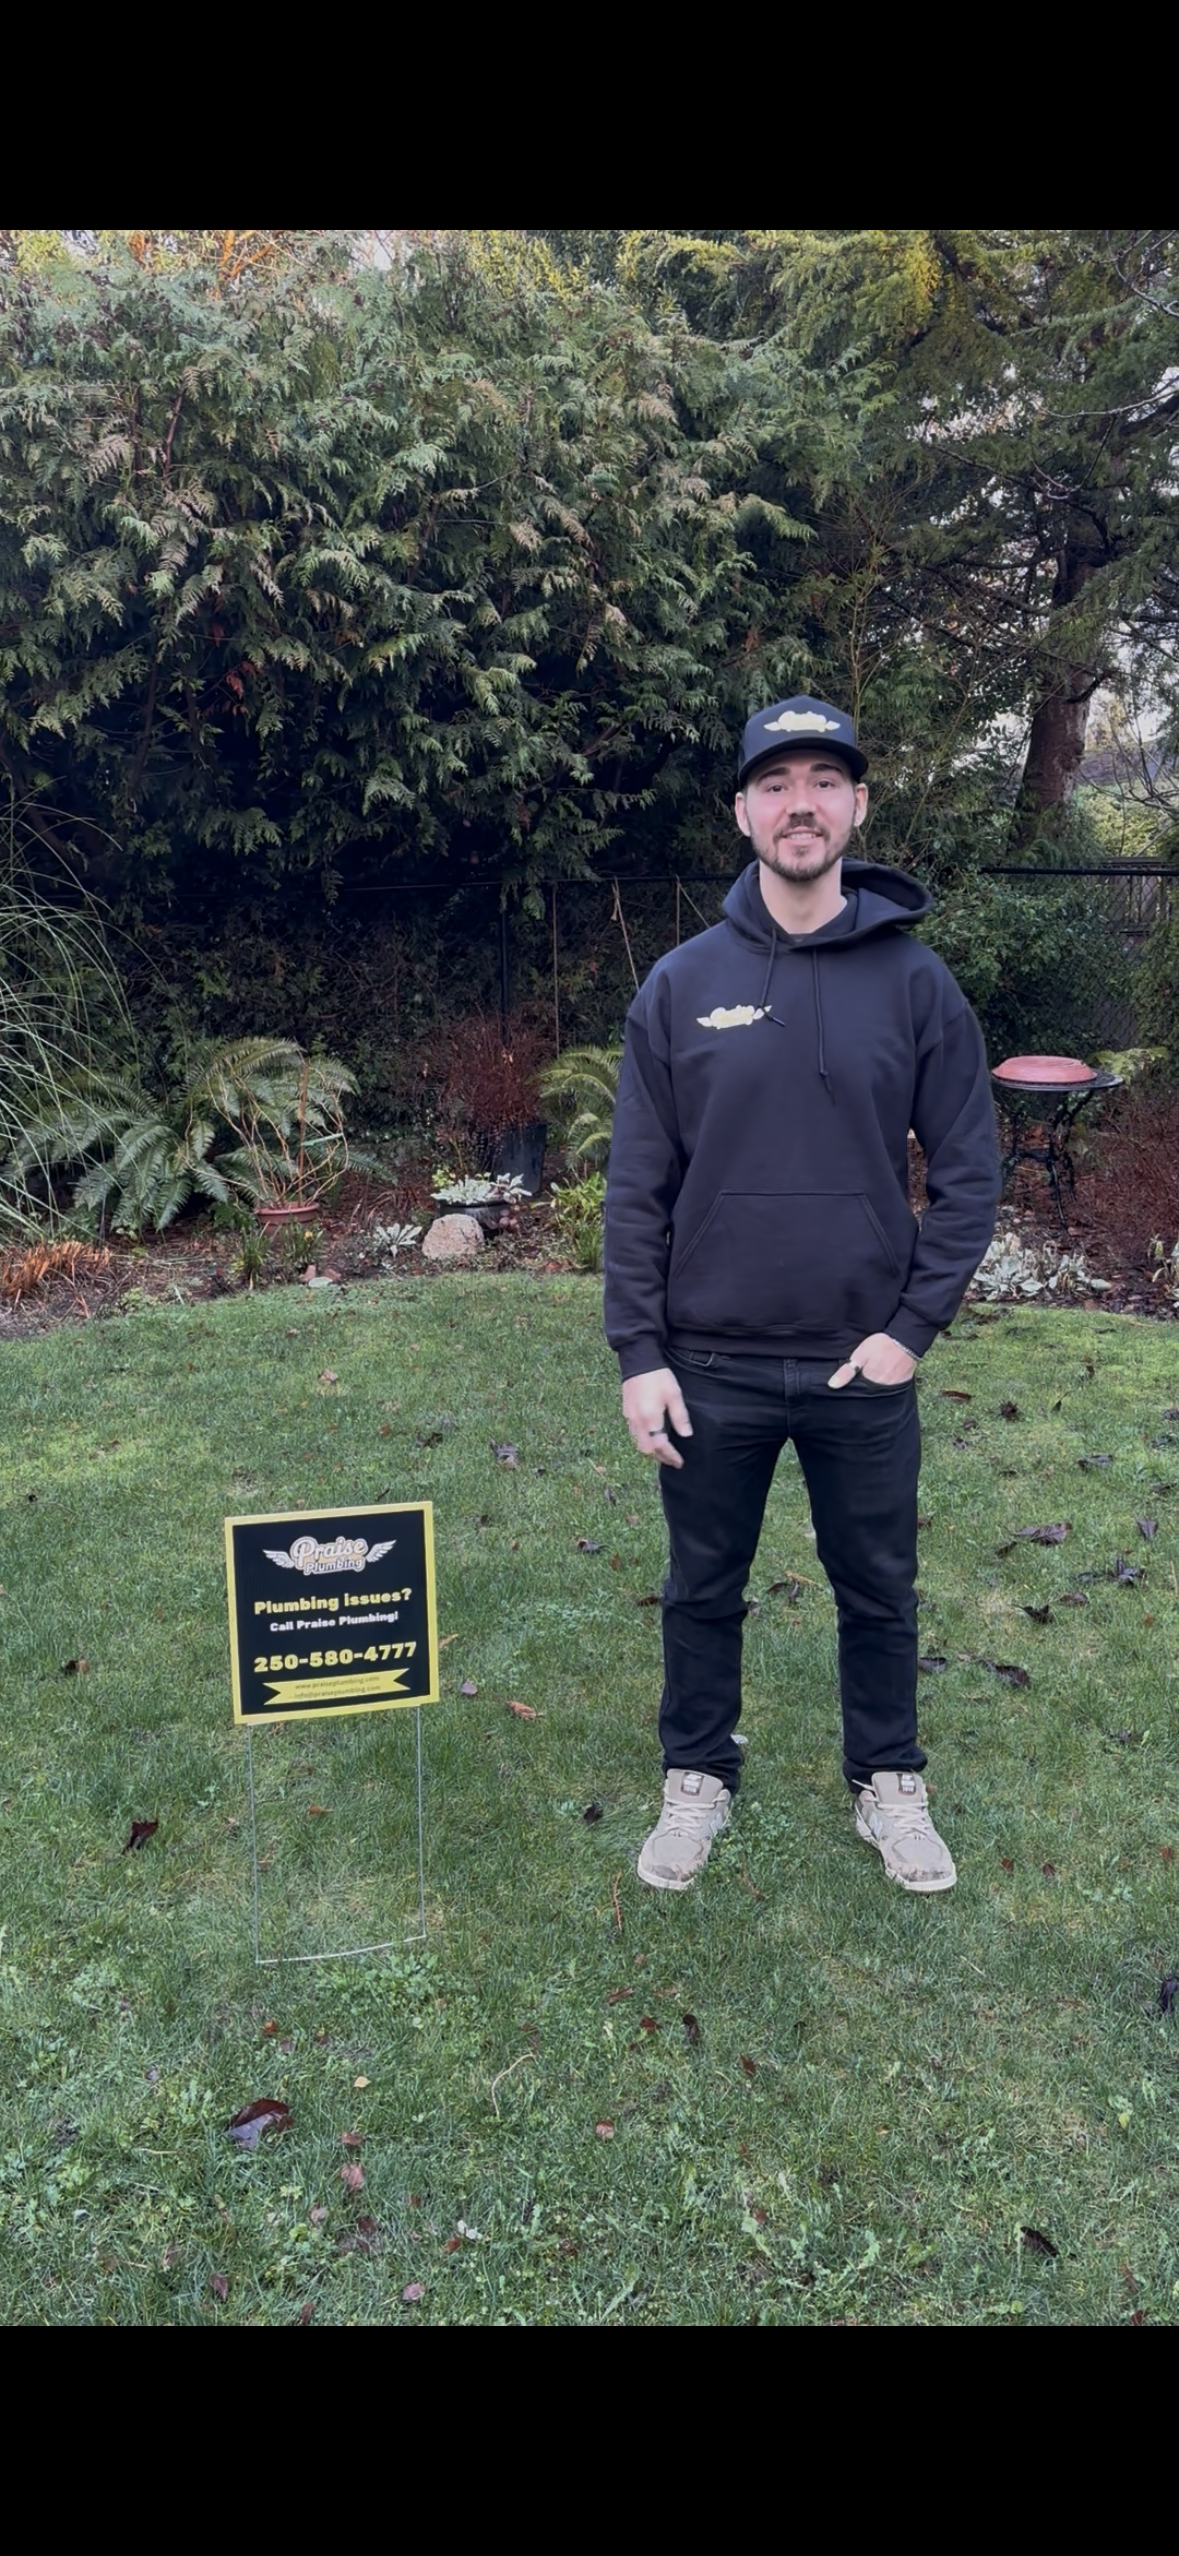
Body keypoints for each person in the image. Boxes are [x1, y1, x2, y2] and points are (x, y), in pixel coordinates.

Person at [604, 695, 999, 1895]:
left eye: (825, 781)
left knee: (877, 1589)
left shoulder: (917, 985)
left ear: (859, 806)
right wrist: (640, 1354)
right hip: (709, 1366)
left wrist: (908, 1332)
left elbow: (972, 1172)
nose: (801, 805)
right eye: (776, 784)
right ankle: (697, 1779)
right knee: (700, 1590)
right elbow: (636, 1188)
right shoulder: (680, 986)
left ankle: (888, 1781)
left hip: (857, 1367)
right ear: (742, 812)